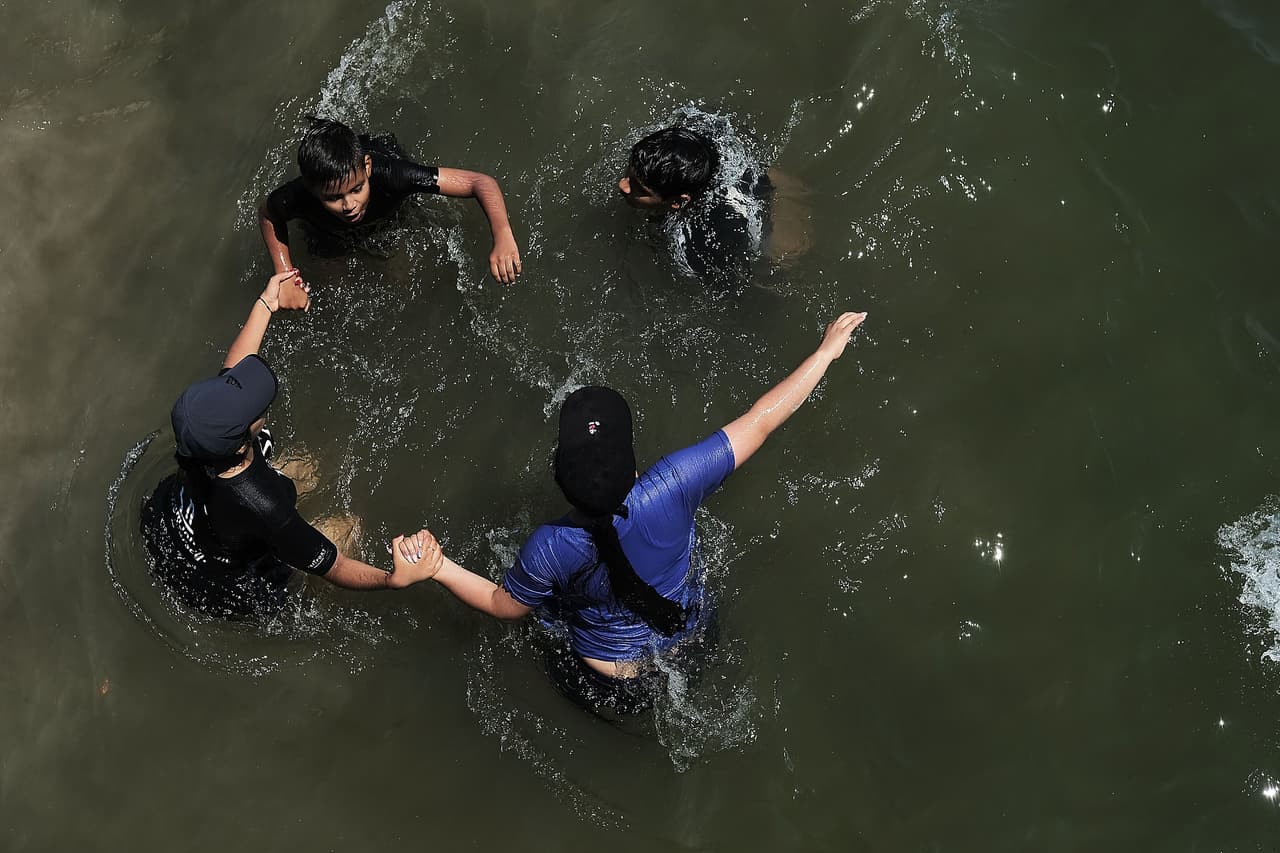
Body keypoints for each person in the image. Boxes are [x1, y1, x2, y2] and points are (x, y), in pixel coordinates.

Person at [392, 311, 868, 715]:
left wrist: (438, 567)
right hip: (691, 643)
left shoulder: (551, 545)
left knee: (550, 617)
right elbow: (763, 419)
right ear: (636, 464)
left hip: (610, 683)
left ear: (559, 475)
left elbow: (504, 607)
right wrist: (825, 353)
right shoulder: (675, 482)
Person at [142, 270, 441, 618]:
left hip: (171, 520)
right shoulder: (265, 506)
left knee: (307, 465)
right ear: (240, 445)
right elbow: (335, 565)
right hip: (224, 585)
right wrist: (393, 579)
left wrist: (268, 302)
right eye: (257, 408)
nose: (261, 405)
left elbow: (232, 370)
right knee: (349, 525)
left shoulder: (199, 433)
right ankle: (298, 593)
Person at [259, 117, 522, 311]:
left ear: (367, 168)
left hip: (387, 194)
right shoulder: (298, 195)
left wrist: (502, 235)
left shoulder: (396, 176)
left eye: (357, 189)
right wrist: (285, 274)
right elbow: (269, 214)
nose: (349, 204)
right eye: (334, 198)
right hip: (329, 228)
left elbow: (480, 182)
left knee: (403, 278)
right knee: (331, 280)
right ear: (312, 188)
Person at [617, 125, 776, 295]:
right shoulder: (687, 144)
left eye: (641, 190)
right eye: (630, 173)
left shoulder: (704, 242)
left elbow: (736, 291)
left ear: (678, 202)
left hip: (751, 202)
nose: (623, 185)